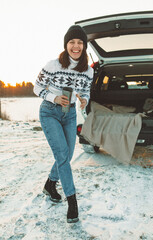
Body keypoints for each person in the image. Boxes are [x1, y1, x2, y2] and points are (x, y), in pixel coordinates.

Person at [33, 25, 94, 223]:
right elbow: (37, 87)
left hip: (69, 115)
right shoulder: (53, 65)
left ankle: (50, 183)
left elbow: (85, 92)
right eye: (71, 42)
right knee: (62, 155)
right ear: (66, 44)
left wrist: (84, 100)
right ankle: (72, 202)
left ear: (84, 46)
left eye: (79, 42)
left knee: (66, 154)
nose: (75, 46)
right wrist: (55, 98)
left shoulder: (87, 70)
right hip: (49, 112)